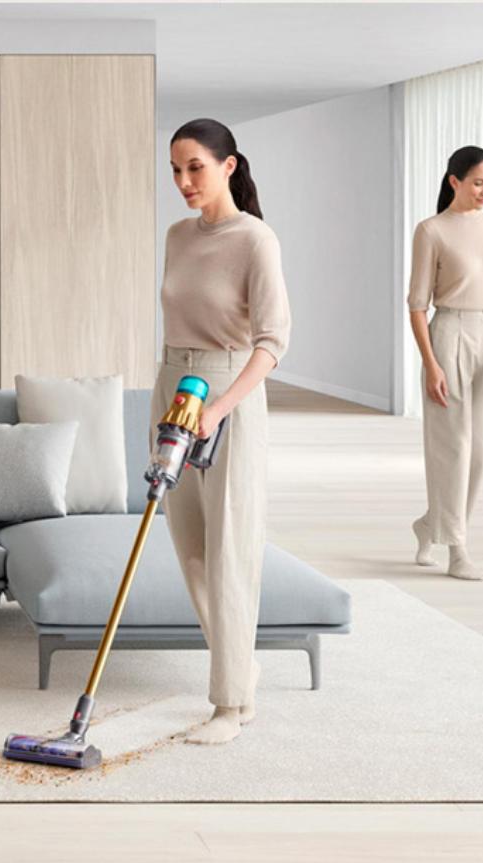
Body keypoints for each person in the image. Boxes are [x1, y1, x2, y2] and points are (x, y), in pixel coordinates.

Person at [154, 118, 292, 747]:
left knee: (232, 547)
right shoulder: (178, 235)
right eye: (176, 170)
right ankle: (240, 665)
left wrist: (220, 409)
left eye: (196, 169)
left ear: (228, 166)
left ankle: (231, 706)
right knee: (191, 546)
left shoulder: (255, 240)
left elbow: (272, 344)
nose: (183, 181)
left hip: (228, 390)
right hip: (172, 384)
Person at [406, 145, 483, 581]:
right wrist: (431, 364)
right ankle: (458, 549)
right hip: (450, 334)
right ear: (454, 181)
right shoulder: (432, 231)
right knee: (452, 445)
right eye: (478, 182)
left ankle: (430, 524)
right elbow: (417, 304)